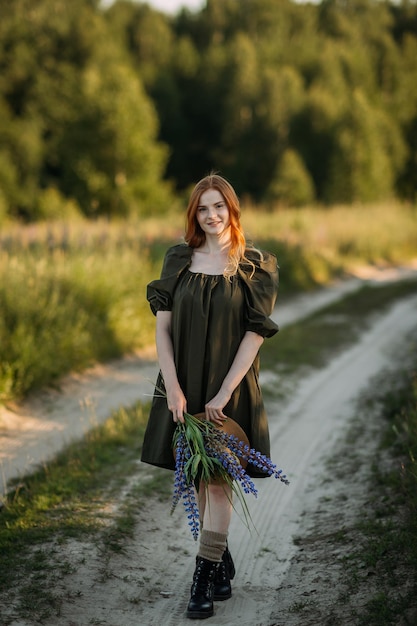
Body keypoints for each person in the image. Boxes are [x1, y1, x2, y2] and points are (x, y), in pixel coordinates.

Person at [141, 173, 279, 619]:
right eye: (203, 208)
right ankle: (219, 559)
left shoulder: (254, 265)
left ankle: (201, 581)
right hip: (184, 386)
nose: (212, 215)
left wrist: (224, 391)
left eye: (219, 206)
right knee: (199, 478)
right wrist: (174, 388)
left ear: (232, 209)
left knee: (217, 485)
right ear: (194, 214)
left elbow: (255, 336)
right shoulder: (178, 259)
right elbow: (162, 328)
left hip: (229, 389)